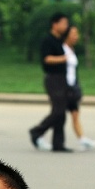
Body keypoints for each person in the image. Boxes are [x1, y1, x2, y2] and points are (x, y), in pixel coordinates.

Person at [28, 12, 72, 152]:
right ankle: (37, 131)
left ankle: (58, 144)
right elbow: (46, 59)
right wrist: (64, 58)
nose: (66, 26)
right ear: (55, 24)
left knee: (61, 112)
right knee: (58, 111)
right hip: (53, 78)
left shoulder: (60, 40)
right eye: (64, 23)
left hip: (62, 78)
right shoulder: (48, 40)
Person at [63, 25, 95, 151]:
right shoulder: (61, 49)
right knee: (57, 116)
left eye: (77, 34)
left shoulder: (71, 49)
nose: (76, 37)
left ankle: (82, 139)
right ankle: (38, 133)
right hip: (64, 88)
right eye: (73, 34)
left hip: (72, 87)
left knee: (75, 113)